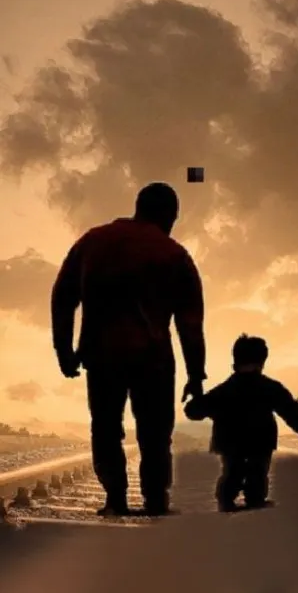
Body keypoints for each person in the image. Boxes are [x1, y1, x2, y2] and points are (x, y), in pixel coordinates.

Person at [51, 182, 207, 517]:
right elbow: (190, 324)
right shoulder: (174, 254)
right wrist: (196, 376)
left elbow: (63, 297)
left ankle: (116, 499)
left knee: (105, 426)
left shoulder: (92, 241)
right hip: (153, 360)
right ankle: (154, 501)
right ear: (169, 215)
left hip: (101, 354)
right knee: (154, 434)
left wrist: (64, 349)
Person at [184, 334, 298, 512]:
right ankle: (254, 501)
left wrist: (198, 397)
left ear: (235, 360)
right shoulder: (272, 389)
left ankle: (226, 501)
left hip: (229, 443)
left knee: (231, 473)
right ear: (262, 361)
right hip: (260, 443)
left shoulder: (223, 391)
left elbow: (192, 411)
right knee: (257, 477)